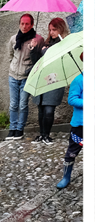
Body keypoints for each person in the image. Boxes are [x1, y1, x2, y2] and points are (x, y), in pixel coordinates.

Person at [29, 18, 69, 145]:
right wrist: (33, 49)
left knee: (49, 109)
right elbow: (37, 62)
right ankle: (41, 135)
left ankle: (47, 135)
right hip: (42, 78)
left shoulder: (64, 43)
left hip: (55, 79)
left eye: (54, 29)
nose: (51, 32)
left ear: (60, 29)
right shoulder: (46, 43)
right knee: (41, 109)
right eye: (50, 30)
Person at [6, 13, 44, 141]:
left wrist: (33, 48)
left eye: (27, 23)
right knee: (13, 104)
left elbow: (39, 61)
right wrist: (12, 66)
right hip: (13, 76)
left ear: (32, 24)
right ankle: (12, 128)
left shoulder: (38, 39)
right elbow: (10, 55)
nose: (24, 26)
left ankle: (19, 129)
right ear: (19, 24)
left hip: (26, 77)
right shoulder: (13, 39)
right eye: (22, 23)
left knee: (23, 104)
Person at [57, 53, 83, 189]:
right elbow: (72, 99)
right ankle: (66, 177)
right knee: (72, 151)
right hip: (80, 124)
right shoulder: (79, 80)